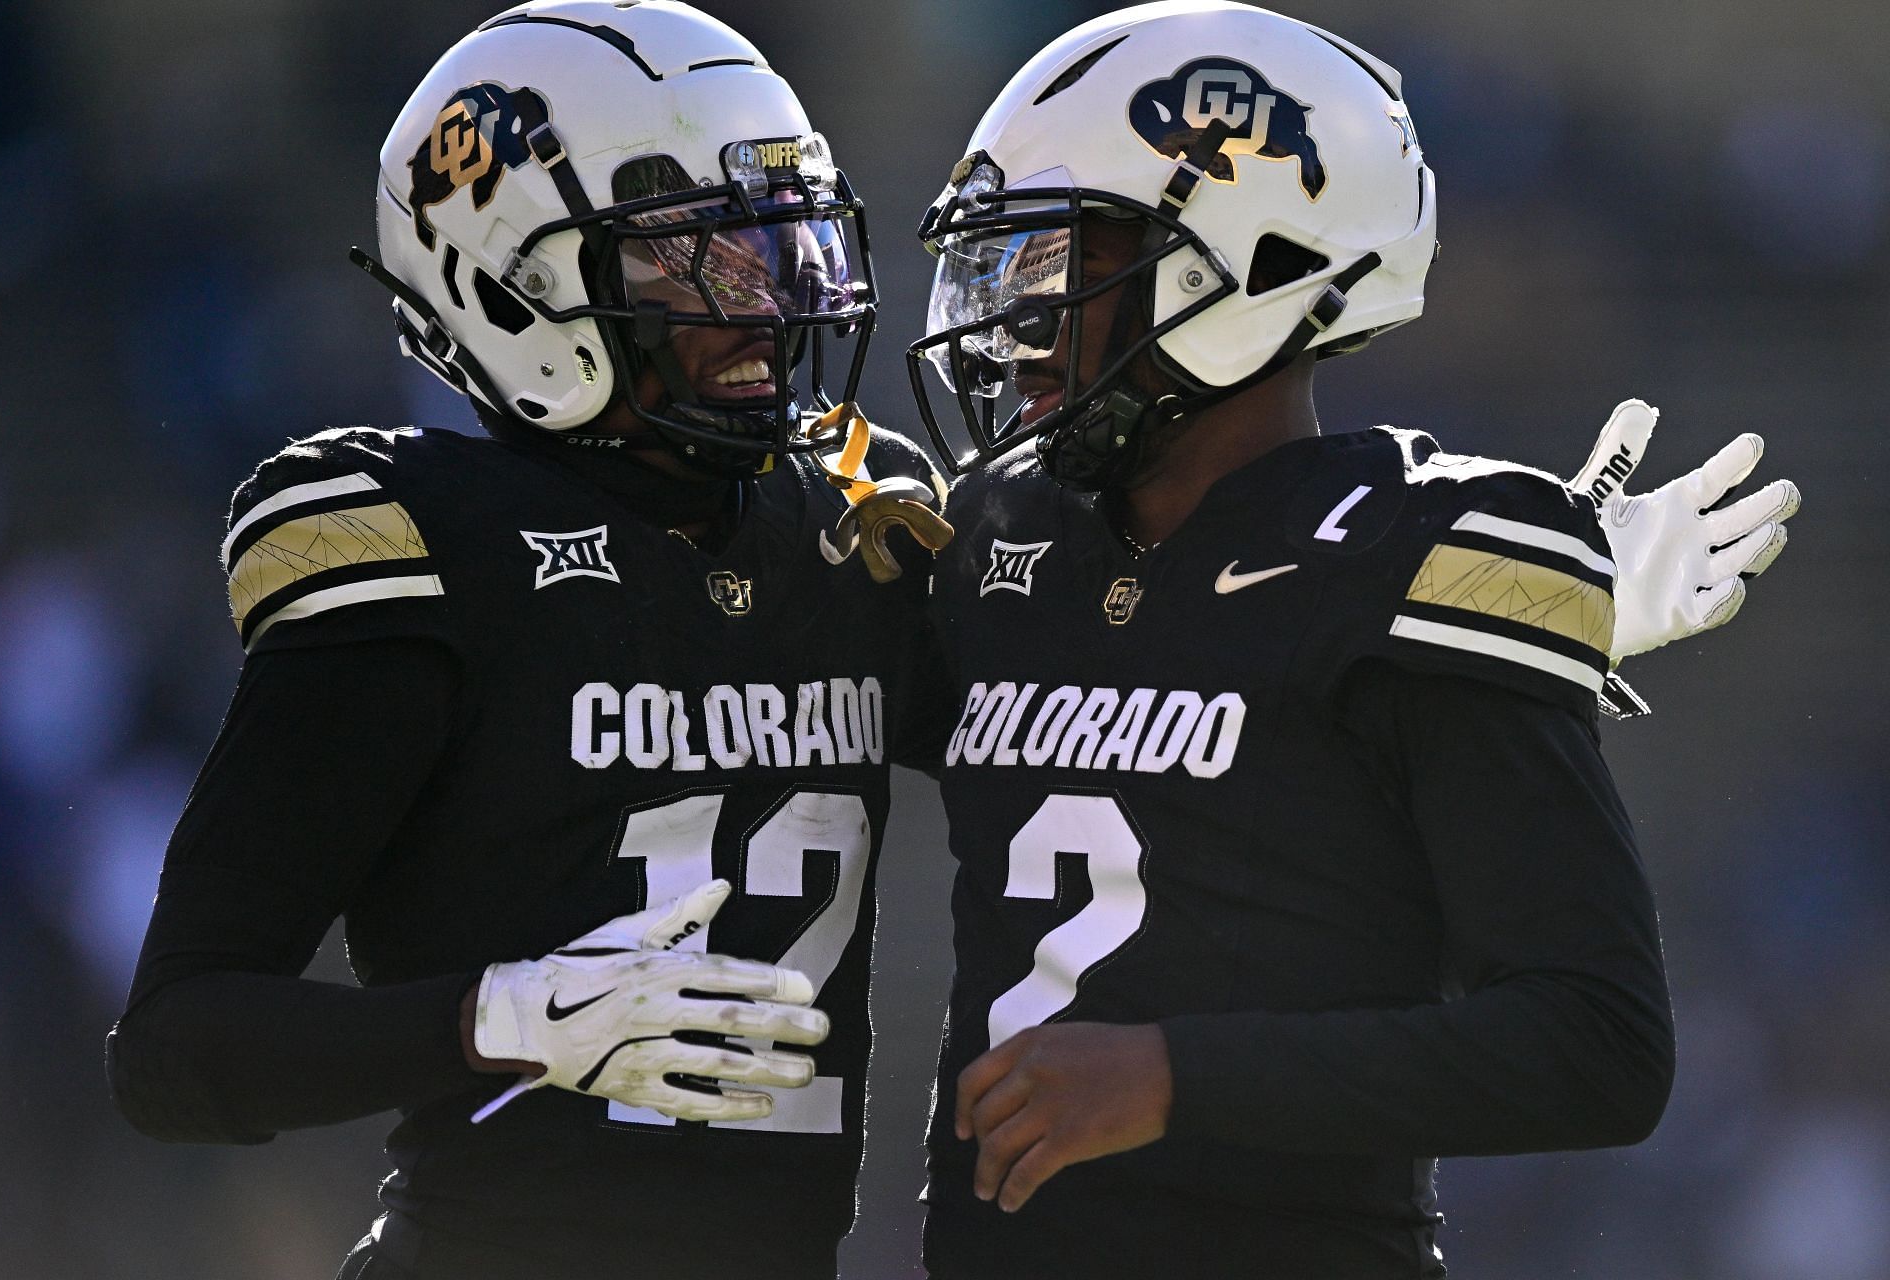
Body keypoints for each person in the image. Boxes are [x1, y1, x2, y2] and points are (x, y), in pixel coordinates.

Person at [904, 3, 1801, 1276]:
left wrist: (1176, 1074)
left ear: (1251, 265)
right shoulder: (1000, 535)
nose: (1018, 317)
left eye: (1066, 262)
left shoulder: (1414, 563)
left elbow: (1596, 1044)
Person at [104, 5, 949, 1278]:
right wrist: (497, 1015)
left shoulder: (847, 518)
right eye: (695, 261)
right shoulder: (427, 545)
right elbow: (176, 1048)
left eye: (781, 243)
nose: (763, 305)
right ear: (517, 287)